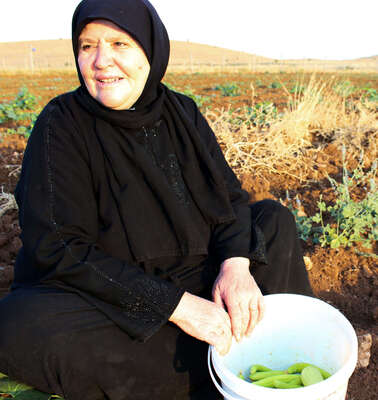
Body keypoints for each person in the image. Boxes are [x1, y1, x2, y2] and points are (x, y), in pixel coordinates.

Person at [0, 0, 313, 399]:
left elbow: (228, 198)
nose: (100, 60)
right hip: (114, 297)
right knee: (18, 324)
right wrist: (180, 308)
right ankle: (240, 354)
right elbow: (59, 247)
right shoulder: (60, 124)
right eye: (86, 46)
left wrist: (235, 268)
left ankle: (229, 354)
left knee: (273, 221)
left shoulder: (181, 112)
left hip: (196, 274)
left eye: (119, 44)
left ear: (151, 49)